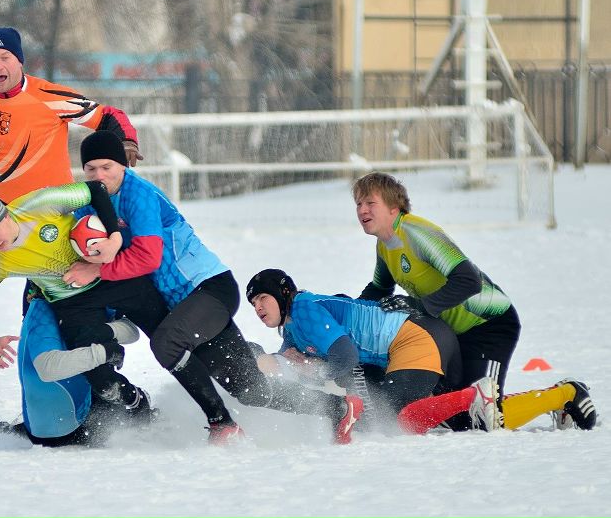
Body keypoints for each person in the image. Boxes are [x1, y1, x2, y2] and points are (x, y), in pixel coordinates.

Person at [63, 130, 364, 445]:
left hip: (209, 290)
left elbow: (148, 258)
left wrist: (98, 269)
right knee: (250, 388)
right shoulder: (88, 203)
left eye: (107, 167)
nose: (99, 176)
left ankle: (222, 424)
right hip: (181, 305)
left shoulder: (138, 194)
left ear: (122, 165)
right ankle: (337, 408)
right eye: (91, 169)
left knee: (166, 343)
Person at [0, 27, 144, 396]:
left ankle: (109, 348)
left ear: (19, 62)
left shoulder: (48, 95)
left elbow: (107, 116)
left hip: (56, 219)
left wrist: (124, 143)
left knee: (59, 304)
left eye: (5, 58)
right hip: (3, 224)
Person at [247, 269, 597, 434]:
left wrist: (320, 373)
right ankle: (562, 395)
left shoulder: (304, 308)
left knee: (396, 419)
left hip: (416, 339)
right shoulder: (293, 332)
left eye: (262, 298)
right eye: (252, 304)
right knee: (472, 424)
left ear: (283, 293)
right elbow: (293, 364)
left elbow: (346, 357)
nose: (258, 307)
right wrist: (269, 363)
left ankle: (474, 397)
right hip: (420, 340)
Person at [0, 180, 169, 418]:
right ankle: (138, 406)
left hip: (108, 274)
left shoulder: (38, 205)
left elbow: (95, 190)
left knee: (169, 336)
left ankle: (209, 397)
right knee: (101, 381)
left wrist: (114, 237)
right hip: (71, 303)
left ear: (5, 215)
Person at [351, 171, 520, 429]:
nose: (362, 210)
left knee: (484, 417)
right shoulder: (385, 244)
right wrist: (343, 313)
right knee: (459, 416)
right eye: (358, 204)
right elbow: (379, 289)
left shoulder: (418, 233)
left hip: (490, 325)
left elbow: (469, 281)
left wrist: (418, 305)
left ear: (394, 209)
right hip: (452, 332)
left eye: (370, 203)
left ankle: (564, 396)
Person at [0, 298, 144, 447]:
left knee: (92, 350)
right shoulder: (42, 311)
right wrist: (103, 353)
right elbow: (47, 368)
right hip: (63, 428)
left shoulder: (94, 292)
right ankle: (134, 405)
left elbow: (132, 331)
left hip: (66, 416)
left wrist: (105, 331)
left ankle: (131, 404)